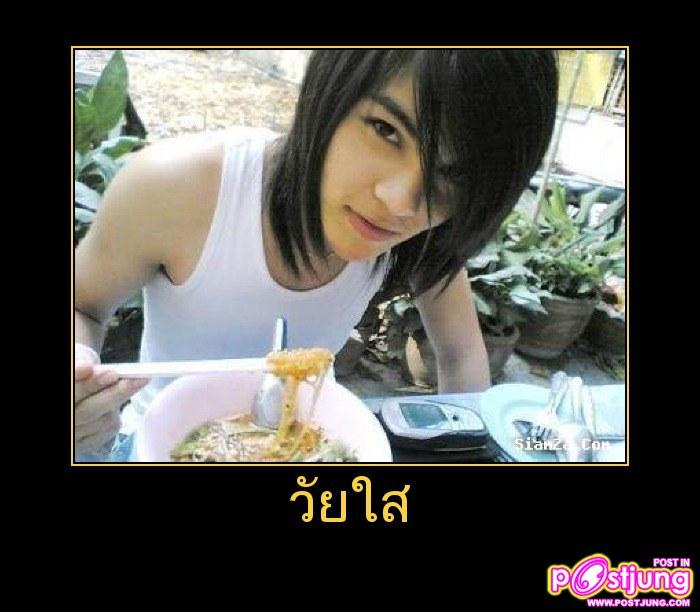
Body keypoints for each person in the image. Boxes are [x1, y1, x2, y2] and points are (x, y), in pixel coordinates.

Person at [74, 49, 559, 459]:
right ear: (329, 89)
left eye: (452, 173)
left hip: (301, 449)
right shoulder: (175, 187)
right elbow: (83, 304)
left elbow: (461, 352)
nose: (400, 202)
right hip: (159, 444)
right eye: (386, 129)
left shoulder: (425, 234)